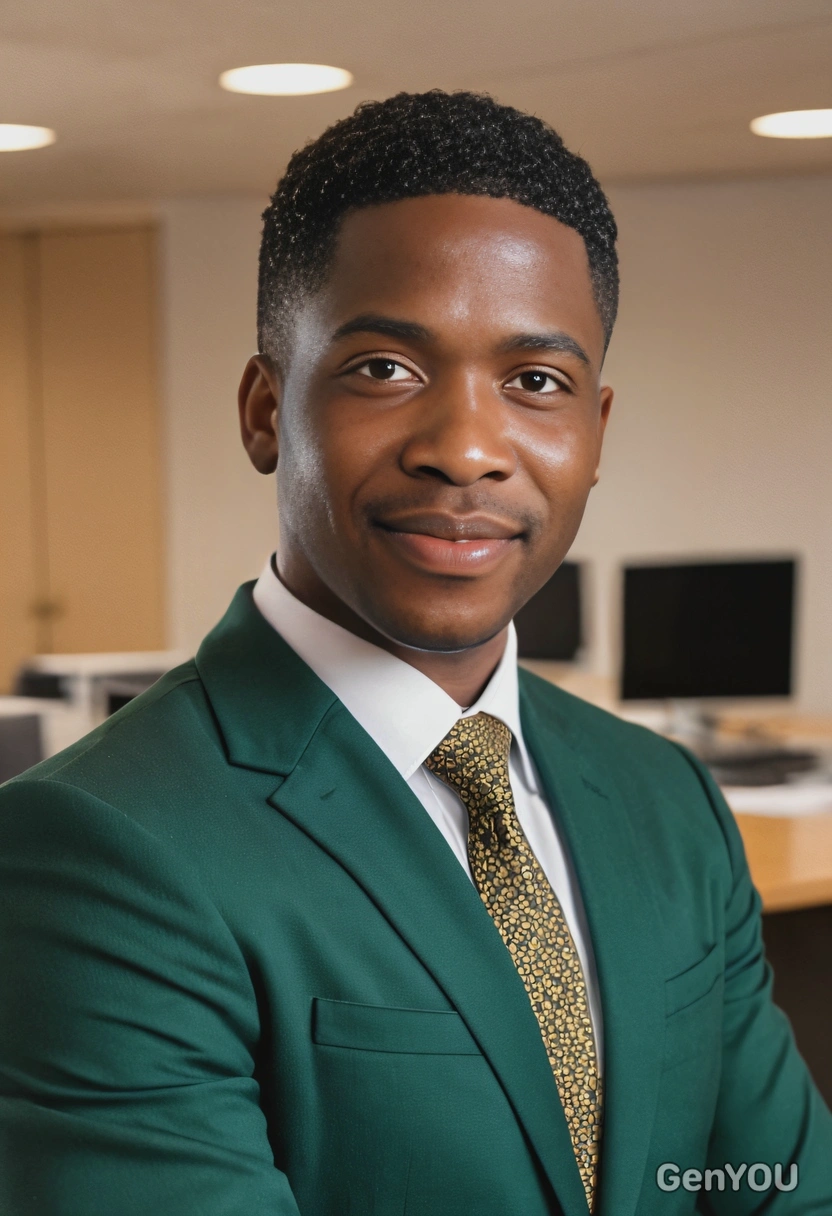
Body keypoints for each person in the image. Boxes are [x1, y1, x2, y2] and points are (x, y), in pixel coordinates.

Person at [1, 90, 830, 1216]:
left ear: (594, 436)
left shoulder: (665, 799)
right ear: (263, 409)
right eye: (384, 368)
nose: (466, 450)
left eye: (535, 383)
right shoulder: (100, 849)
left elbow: (776, 1187)